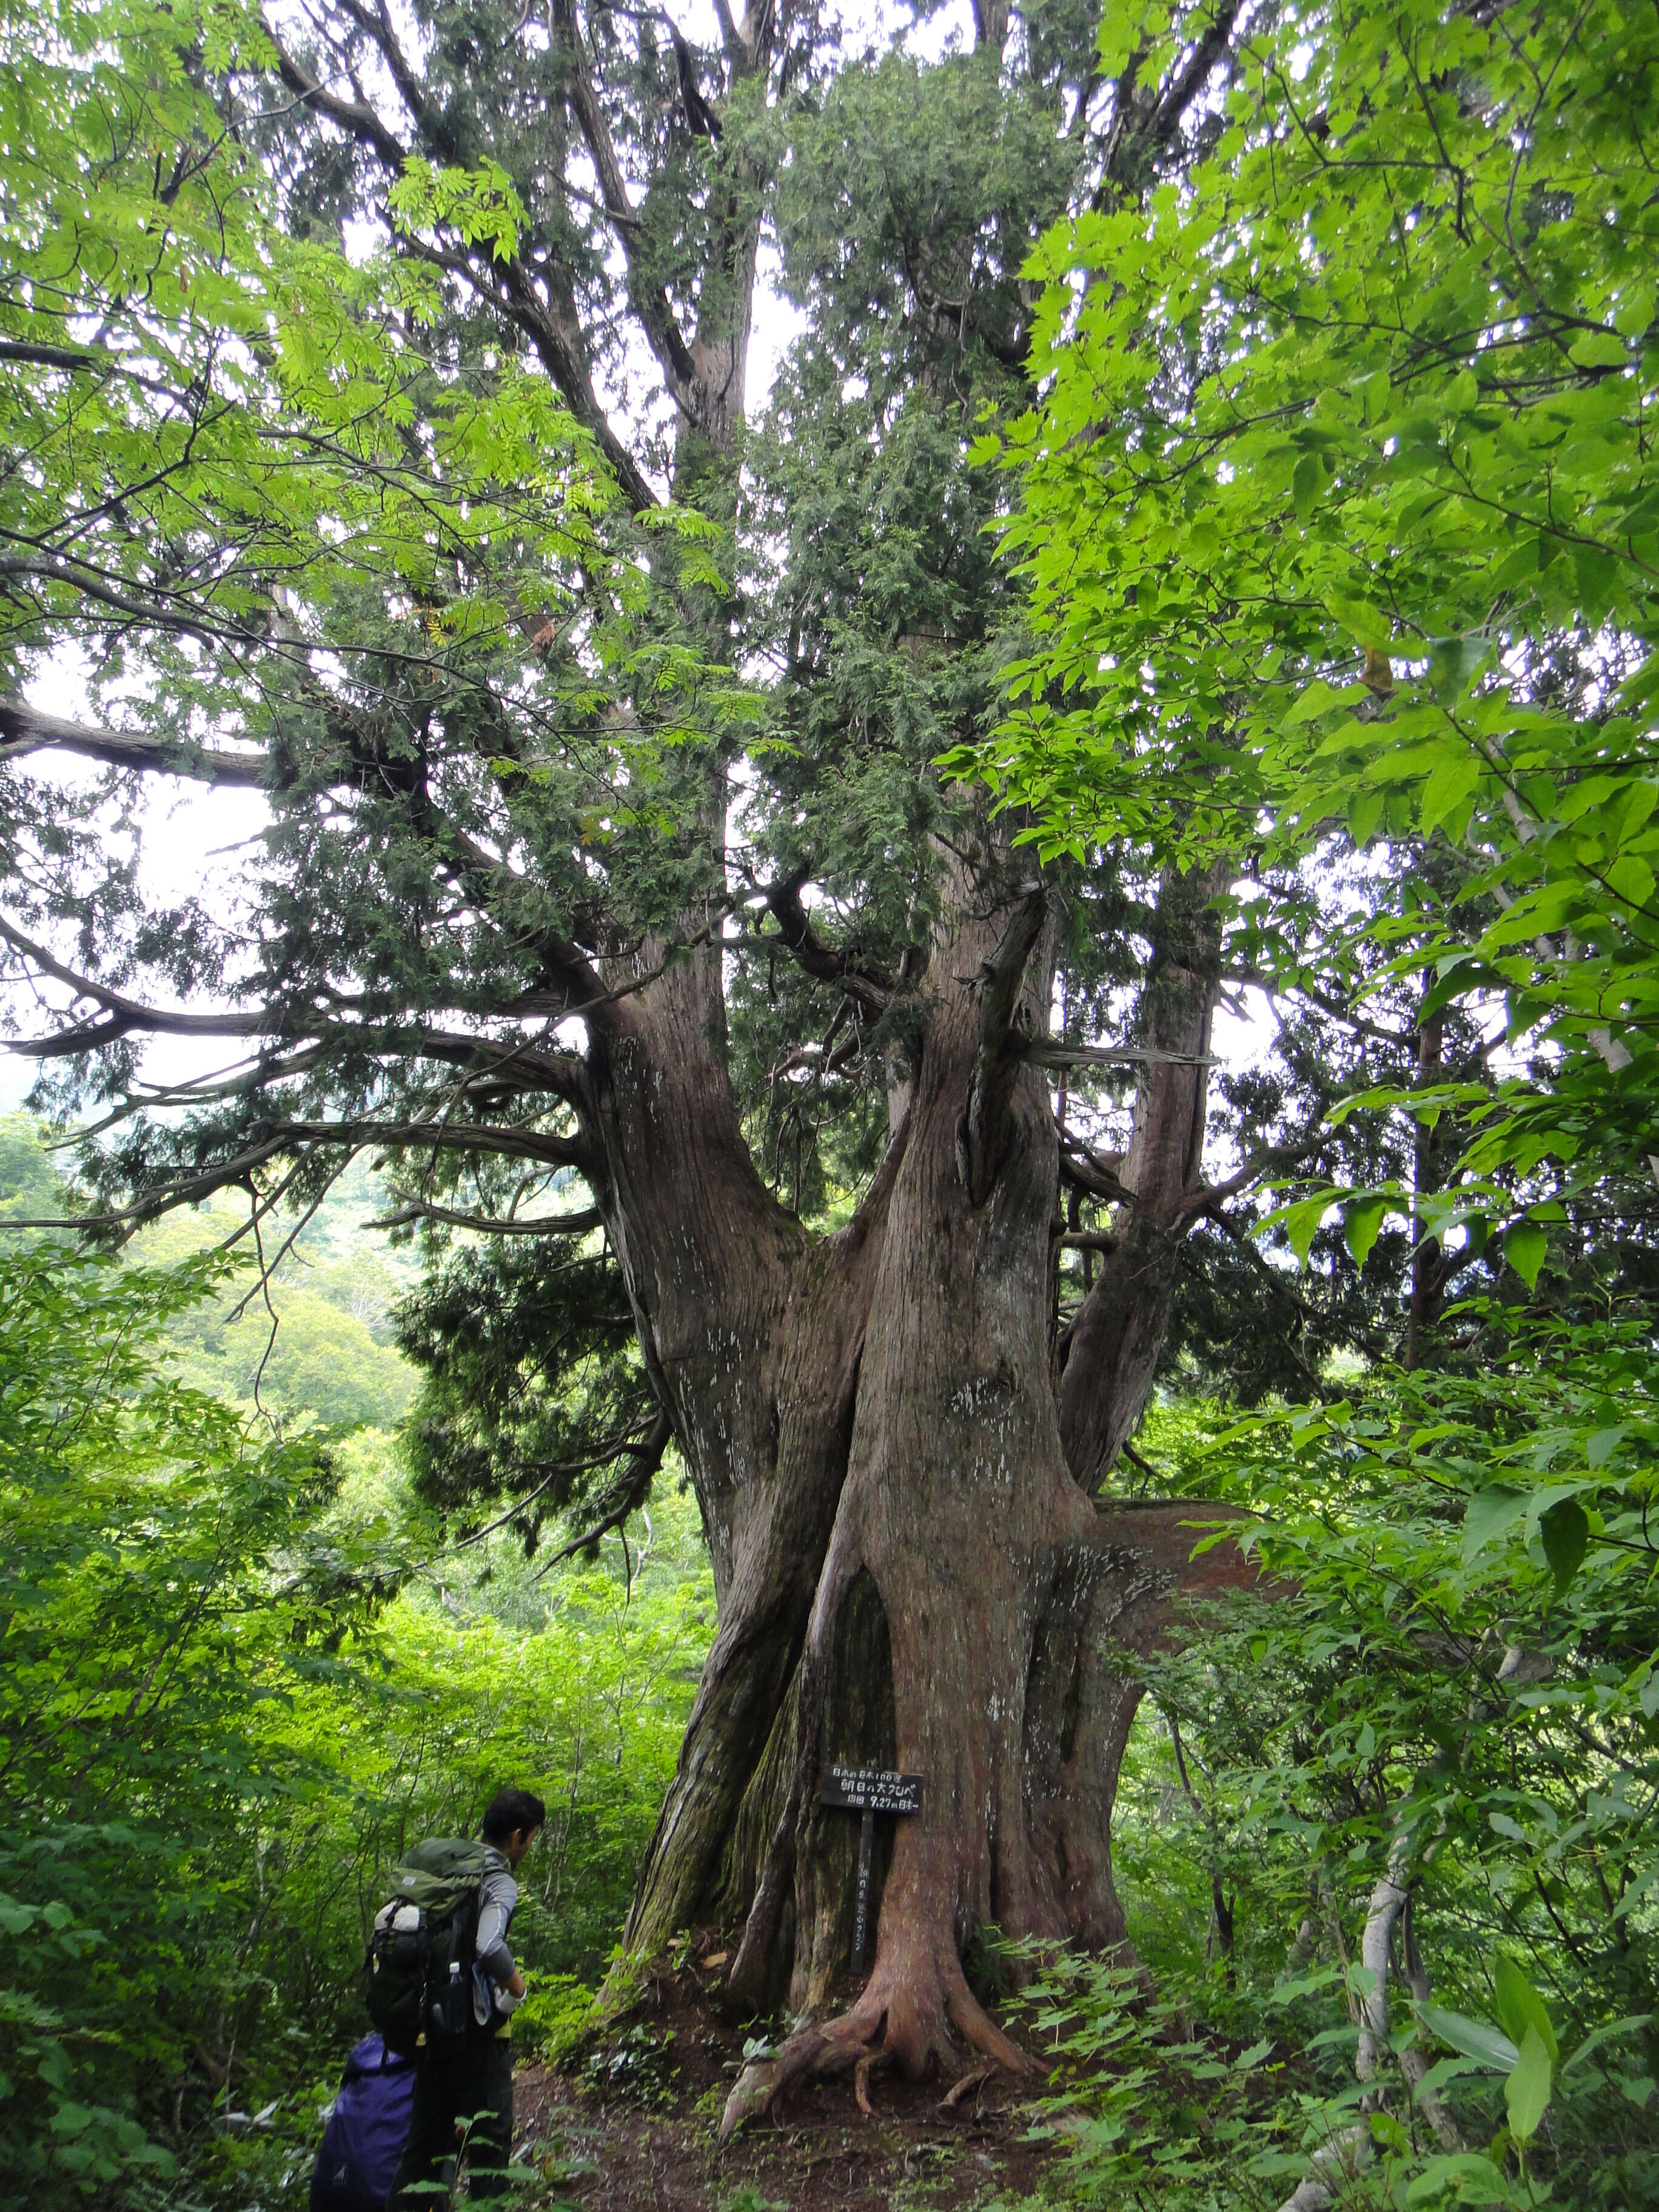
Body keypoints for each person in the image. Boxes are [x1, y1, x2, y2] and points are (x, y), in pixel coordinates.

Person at [385, 1787, 545, 2209]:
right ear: (518, 1836)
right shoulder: (498, 1878)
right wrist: (517, 1987)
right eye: (532, 1838)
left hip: (434, 2032)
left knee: (423, 2153)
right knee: (490, 2156)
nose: (530, 1847)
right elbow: (490, 1945)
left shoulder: (451, 1871)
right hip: (479, 2038)